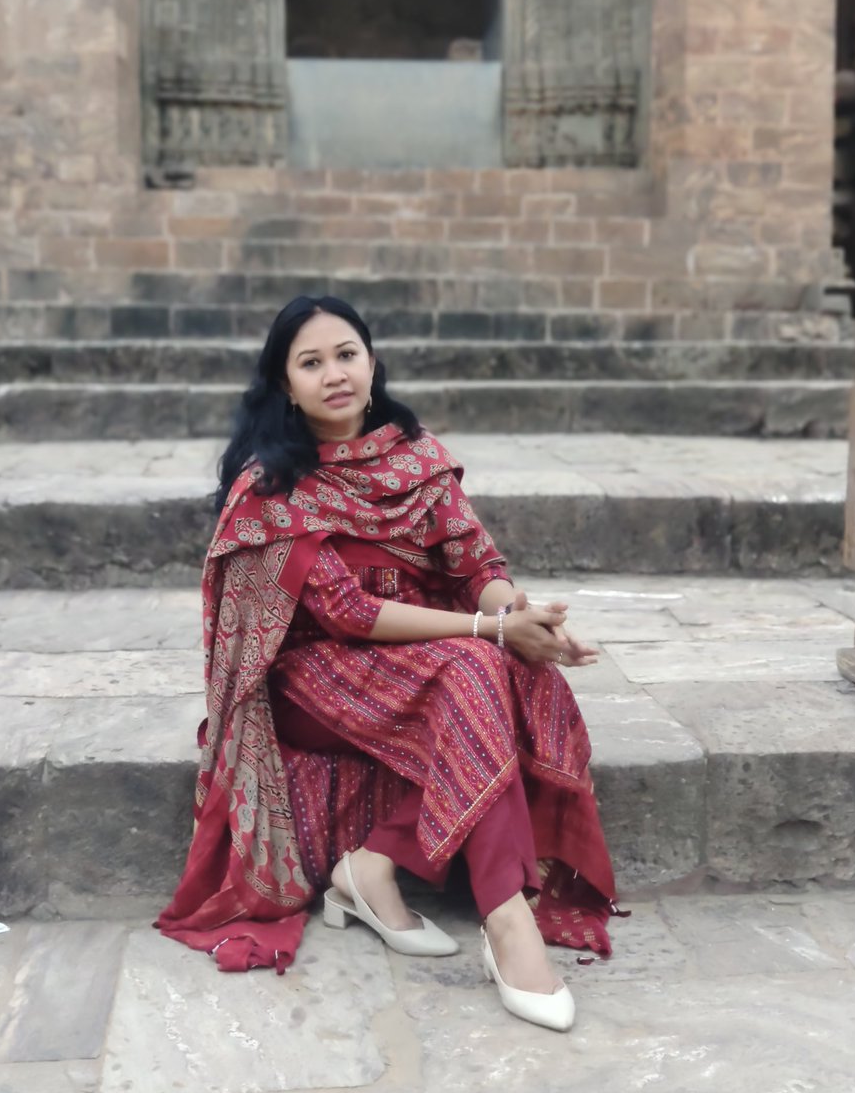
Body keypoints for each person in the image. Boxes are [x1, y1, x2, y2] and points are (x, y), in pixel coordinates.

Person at [157, 295, 619, 1032]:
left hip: (417, 660)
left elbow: (477, 561)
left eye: (346, 354)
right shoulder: (272, 490)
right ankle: (508, 923)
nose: (333, 374)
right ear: (285, 385)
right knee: (476, 665)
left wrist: (517, 617)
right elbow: (348, 613)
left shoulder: (414, 454)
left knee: (521, 671)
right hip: (314, 678)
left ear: (372, 363)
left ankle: (371, 865)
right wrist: (488, 629)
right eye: (310, 363)